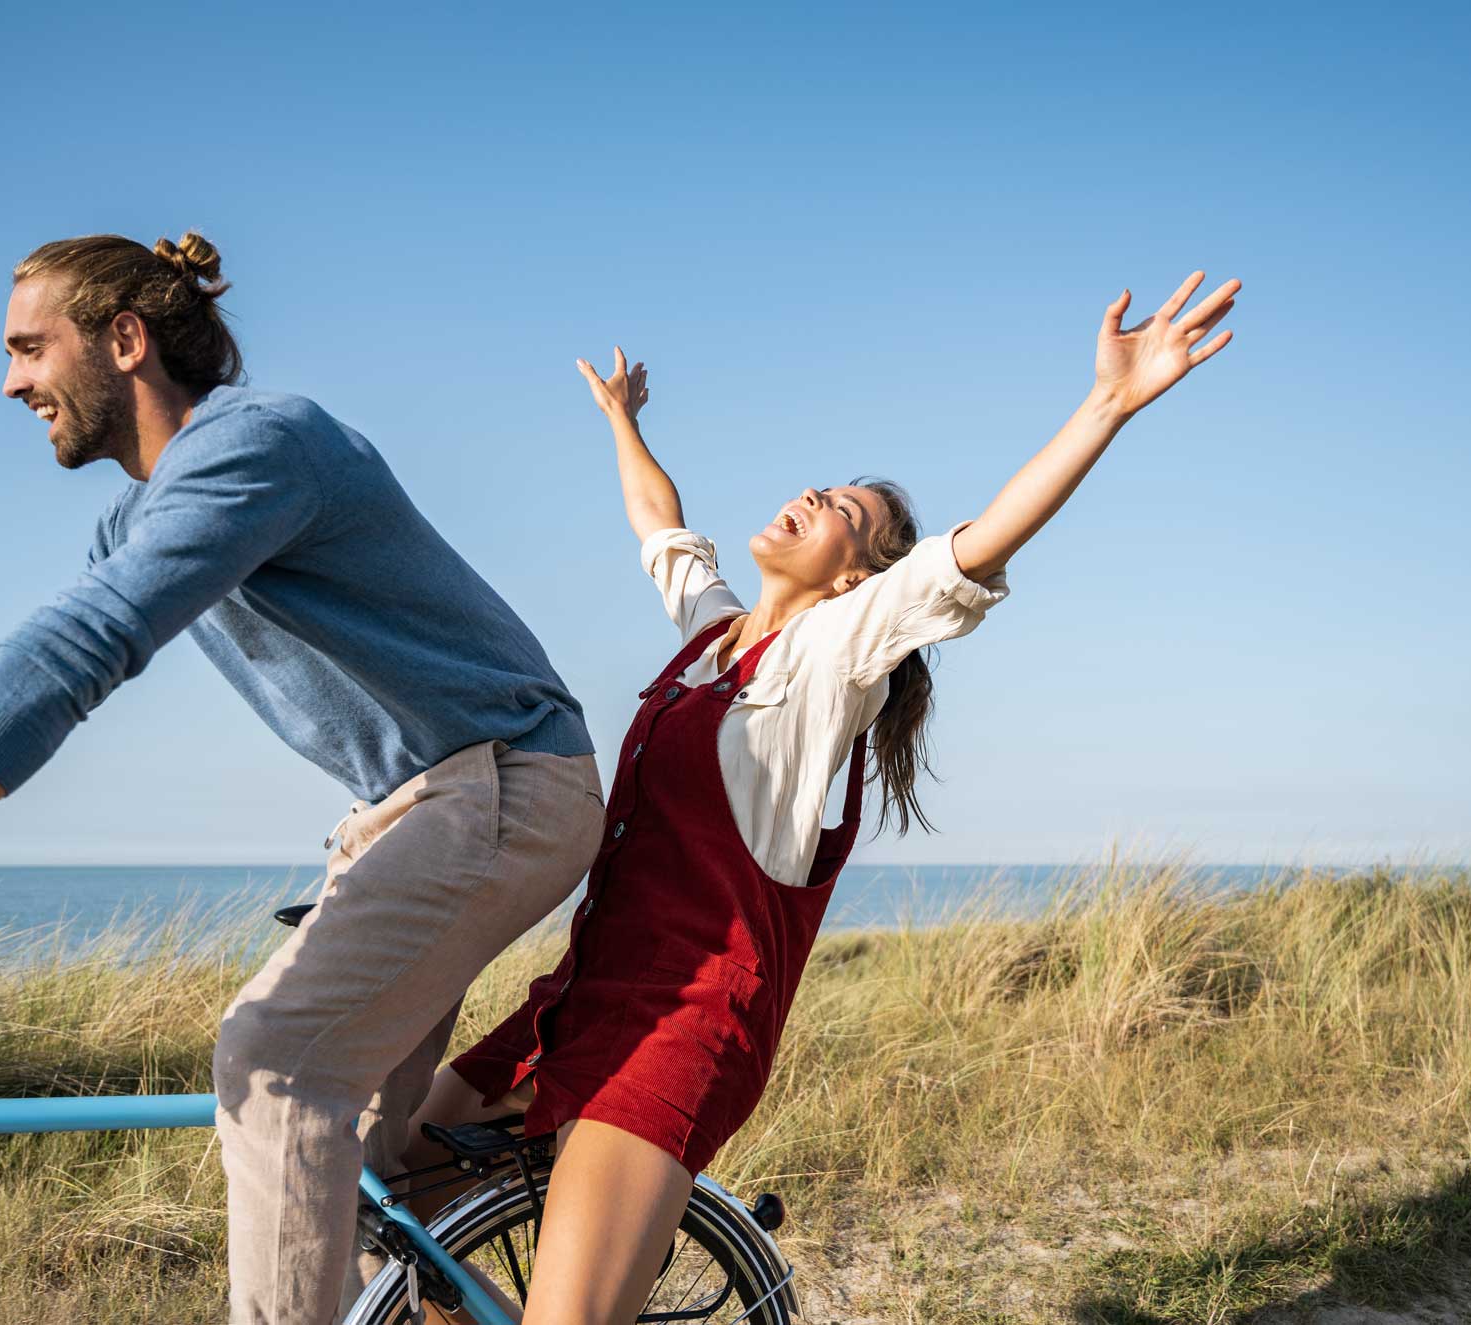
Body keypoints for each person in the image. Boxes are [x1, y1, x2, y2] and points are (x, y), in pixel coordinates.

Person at [0, 232, 607, 1325]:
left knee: (272, 1069)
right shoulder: (145, 510)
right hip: (418, 807)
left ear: (123, 340)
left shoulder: (259, 441)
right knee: (344, 1168)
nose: (9, 381)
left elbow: (82, 643)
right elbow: (60, 649)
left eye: (28, 349)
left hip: (500, 782)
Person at [409, 271, 1240, 1324]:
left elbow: (977, 546)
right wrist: (621, 420)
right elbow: (660, 527)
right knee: (386, 1182)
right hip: (574, 1002)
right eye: (823, 484)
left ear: (858, 577)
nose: (811, 494)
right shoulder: (712, 643)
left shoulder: (832, 658)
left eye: (844, 509)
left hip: (682, 1026)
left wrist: (1107, 404)